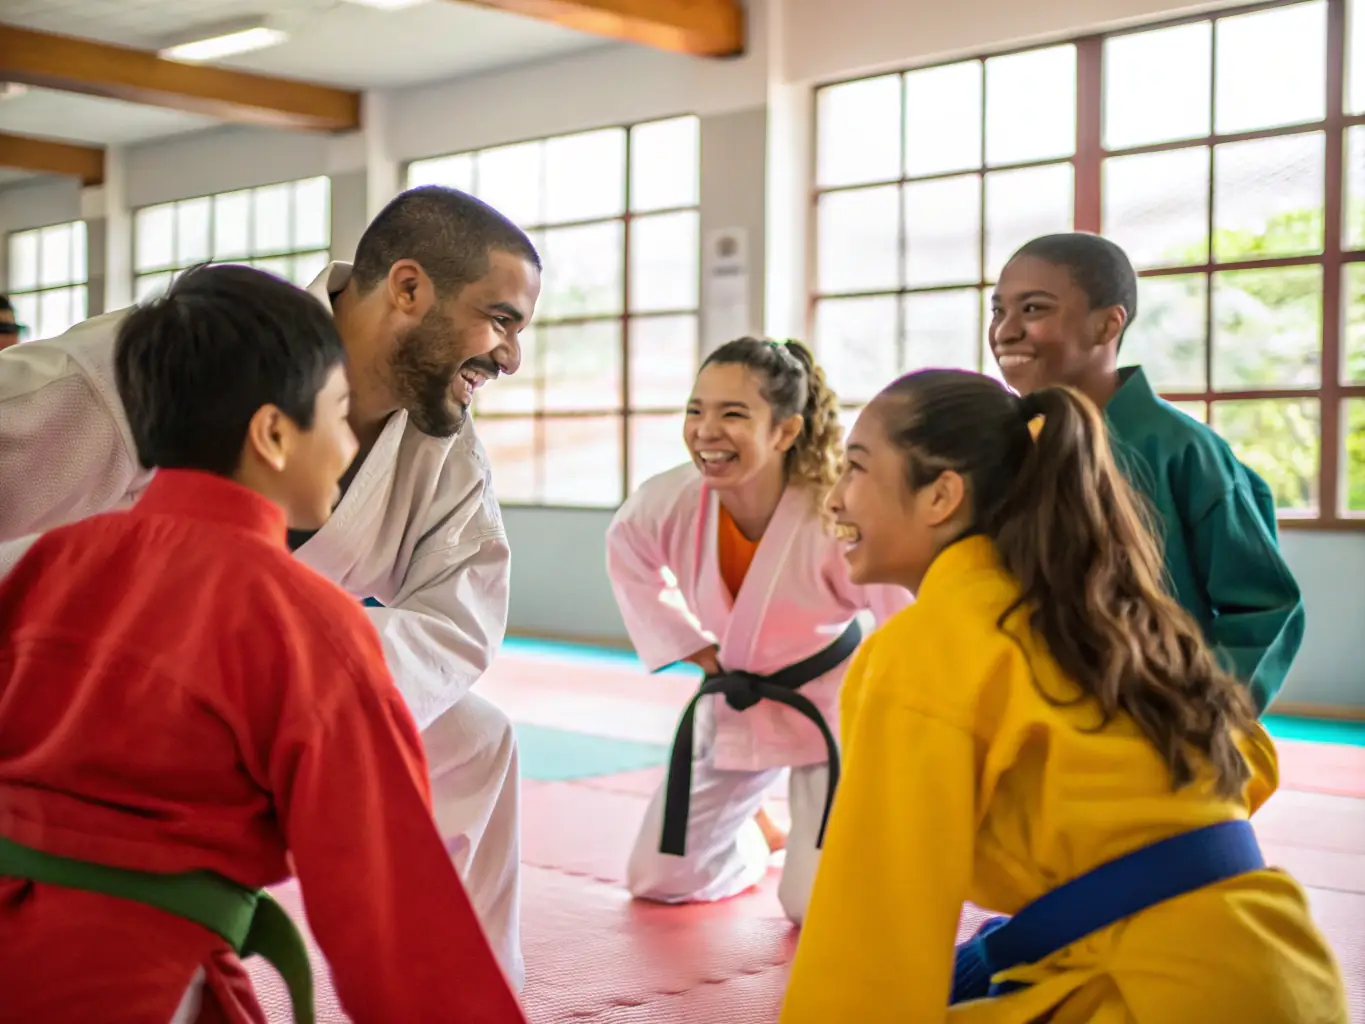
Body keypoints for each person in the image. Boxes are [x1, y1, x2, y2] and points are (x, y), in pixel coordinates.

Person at [0, 186, 539, 987]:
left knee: (478, 740)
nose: (509, 355)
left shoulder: (443, 446)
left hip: (266, 687)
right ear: (408, 287)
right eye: (500, 318)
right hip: (60, 680)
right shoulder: (182, 351)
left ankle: (489, 982)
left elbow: (459, 618)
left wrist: (309, 682)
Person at [780, 369, 1347, 1023]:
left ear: (940, 495)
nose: (835, 499)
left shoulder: (924, 648)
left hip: (1153, 996)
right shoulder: (1109, 612)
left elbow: (875, 921)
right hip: (1280, 972)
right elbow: (1247, 762)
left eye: (854, 469)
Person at [605, 338, 910, 923]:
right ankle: (755, 837)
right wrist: (689, 643)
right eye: (696, 411)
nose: (705, 431)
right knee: (660, 877)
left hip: (829, 705)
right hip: (741, 696)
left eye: (733, 414)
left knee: (812, 906)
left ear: (786, 431)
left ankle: (812, 835)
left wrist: (898, 708)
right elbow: (626, 550)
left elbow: (897, 602)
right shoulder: (672, 500)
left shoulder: (835, 508)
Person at [988, 232, 1303, 713]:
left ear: (1107, 324)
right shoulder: (1001, 447)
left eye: (1032, 309)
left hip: (1147, 726)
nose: (1005, 331)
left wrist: (1197, 713)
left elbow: (1264, 609)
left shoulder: (1185, 452)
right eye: (998, 311)